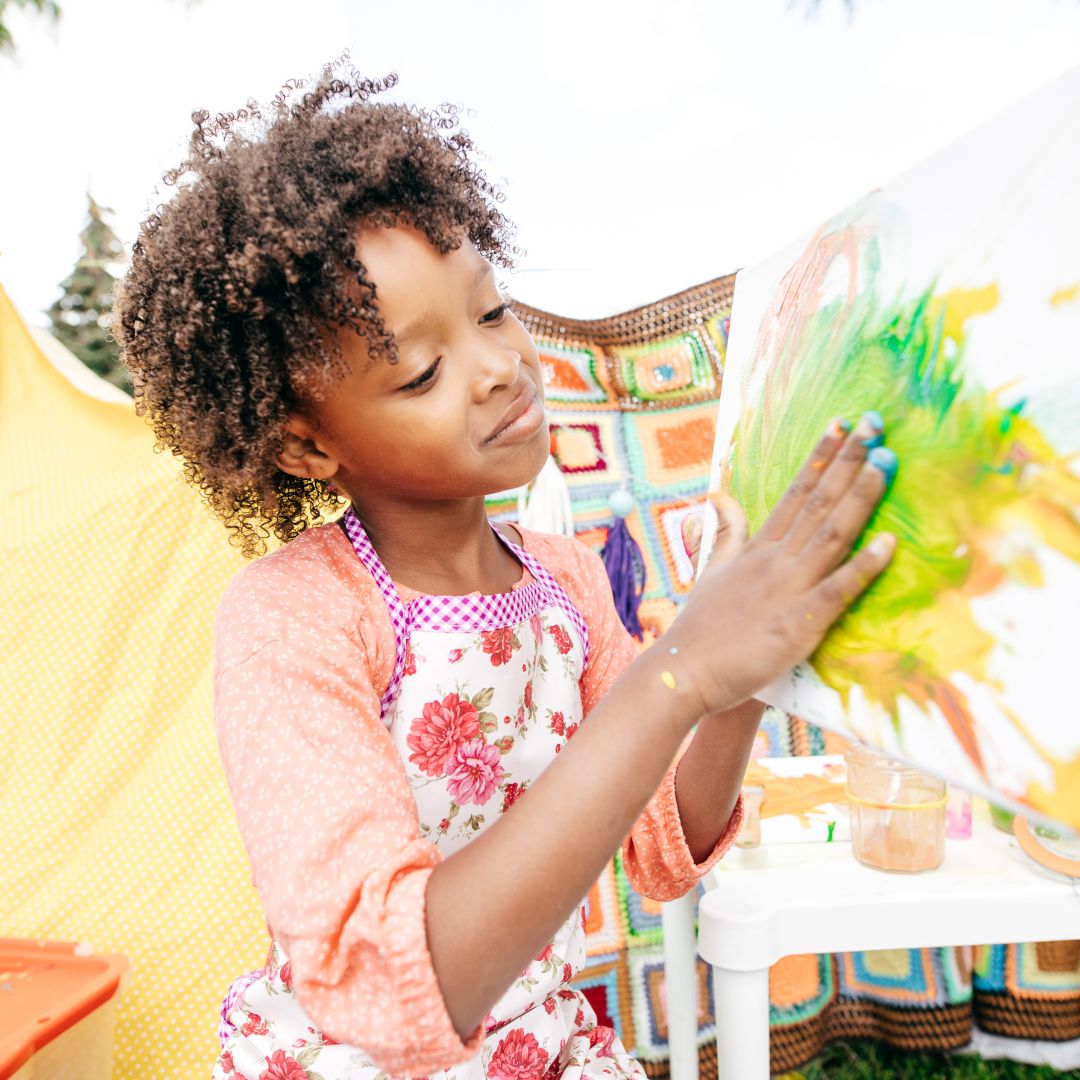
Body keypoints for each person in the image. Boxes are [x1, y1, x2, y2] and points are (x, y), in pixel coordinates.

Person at [113, 64, 897, 1080]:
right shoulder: (293, 619)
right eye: (422, 372)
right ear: (307, 445)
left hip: (538, 1045)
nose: (497, 369)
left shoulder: (564, 583)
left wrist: (741, 685)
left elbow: (663, 840)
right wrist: (680, 673)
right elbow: (389, 994)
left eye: (490, 312)